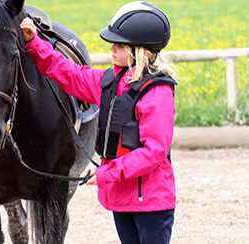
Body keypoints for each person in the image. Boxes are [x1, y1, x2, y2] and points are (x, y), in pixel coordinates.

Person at [21, 1, 177, 243]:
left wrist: (107, 173)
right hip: (121, 199)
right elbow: (69, 73)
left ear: (140, 51)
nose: (111, 49)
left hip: (151, 204)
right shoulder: (107, 83)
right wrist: (34, 43)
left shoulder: (157, 94)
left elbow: (154, 152)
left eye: (119, 45)